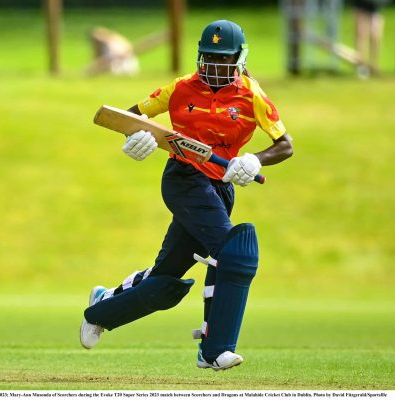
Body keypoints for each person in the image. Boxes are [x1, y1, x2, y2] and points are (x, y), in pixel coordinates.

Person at [79, 20, 294, 371]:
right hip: (183, 178)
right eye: (208, 58)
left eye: (224, 60)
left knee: (165, 280)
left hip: (220, 186)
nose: (215, 67)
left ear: (240, 58)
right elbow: (127, 117)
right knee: (233, 253)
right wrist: (136, 138)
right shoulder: (180, 88)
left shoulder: (253, 95)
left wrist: (254, 159)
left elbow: (285, 145)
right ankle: (214, 348)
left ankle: (102, 308)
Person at [351, 0, 390, 77]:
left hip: (376, 6)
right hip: (361, 5)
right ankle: (362, 67)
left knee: (375, 36)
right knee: (361, 34)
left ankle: (373, 67)